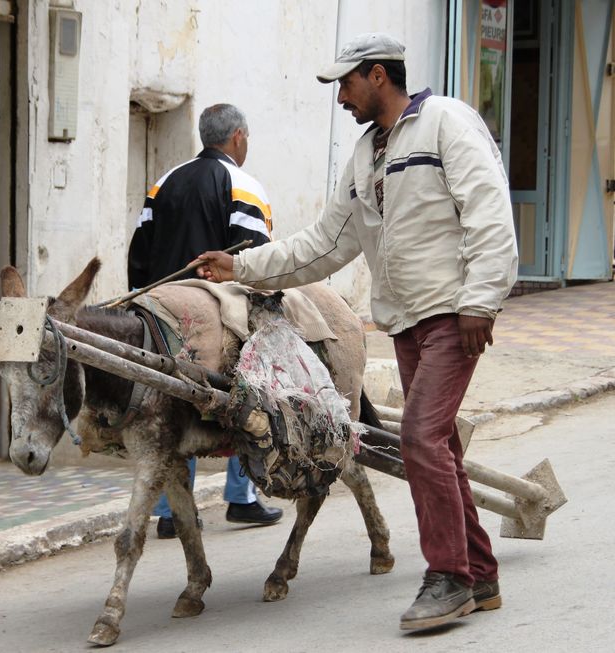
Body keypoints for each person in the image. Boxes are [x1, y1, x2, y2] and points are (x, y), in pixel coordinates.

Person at [196, 34, 517, 631]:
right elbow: (322, 244)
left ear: (377, 75)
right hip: (407, 321)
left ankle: (448, 579)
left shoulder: (446, 122)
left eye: (344, 84)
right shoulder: (367, 152)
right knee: (437, 444)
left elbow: (489, 212)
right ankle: (479, 571)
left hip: (454, 313)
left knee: (420, 439)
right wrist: (239, 266)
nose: (340, 97)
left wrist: (482, 300)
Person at [128, 103, 283, 540]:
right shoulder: (242, 184)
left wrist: (144, 306)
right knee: (249, 387)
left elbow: (139, 251)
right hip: (218, 316)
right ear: (238, 136)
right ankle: (242, 497)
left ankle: (171, 510)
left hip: (161, 312)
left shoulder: (164, 182)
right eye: (246, 138)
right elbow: (256, 261)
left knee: (171, 400)